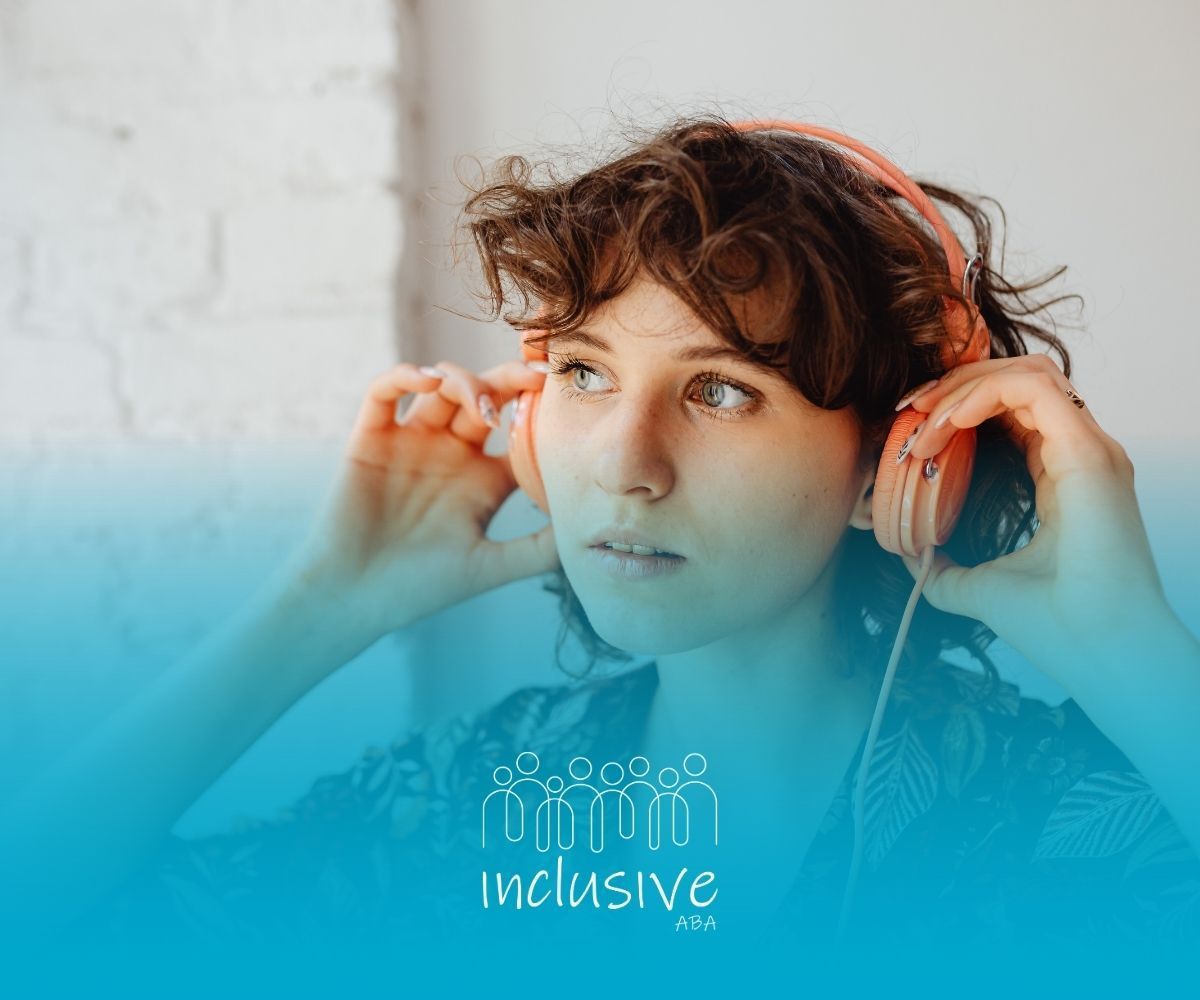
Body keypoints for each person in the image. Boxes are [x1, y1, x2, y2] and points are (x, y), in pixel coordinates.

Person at [3, 114, 1200, 971]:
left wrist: (1134, 650)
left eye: (723, 390)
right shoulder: (492, 793)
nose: (624, 463)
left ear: (899, 461)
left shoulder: (1061, 814)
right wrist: (321, 605)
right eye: (583, 372)